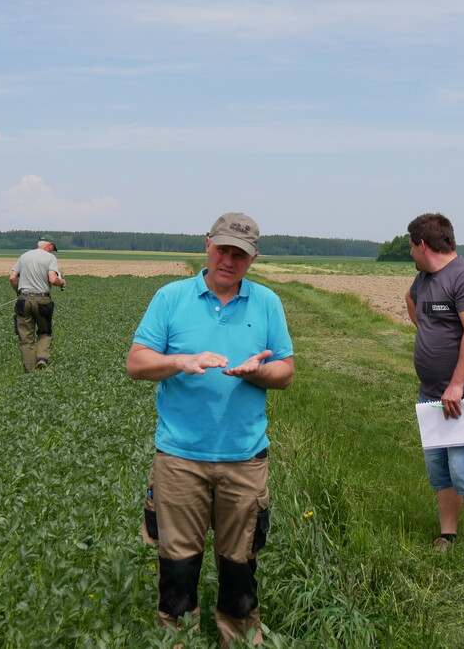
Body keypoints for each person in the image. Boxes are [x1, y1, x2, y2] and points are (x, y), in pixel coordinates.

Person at [126, 212, 294, 647]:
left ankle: (237, 639)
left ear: (253, 258)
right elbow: (136, 363)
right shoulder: (171, 298)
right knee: (177, 568)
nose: (229, 259)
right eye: (223, 249)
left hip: (244, 459)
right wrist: (180, 361)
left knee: (240, 569)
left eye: (240, 253)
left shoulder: (267, 303)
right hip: (180, 459)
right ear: (207, 244)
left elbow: (286, 371)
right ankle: (176, 640)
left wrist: (257, 371)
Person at [404, 212, 464, 563]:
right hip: (431, 392)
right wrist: (427, 332)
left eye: (411, 247)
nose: (410, 253)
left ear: (422, 244)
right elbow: (411, 301)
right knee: (439, 469)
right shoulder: (425, 279)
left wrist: (457, 385)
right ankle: (447, 534)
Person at [9, 235, 66, 371]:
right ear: (50, 245)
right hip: (42, 300)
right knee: (45, 332)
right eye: (53, 248)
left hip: (23, 300)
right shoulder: (50, 258)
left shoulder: (24, 256)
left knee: (26, 338)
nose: (52, 251)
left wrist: (18, 293)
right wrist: (62, 282)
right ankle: (41, 358)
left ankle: (30, 370)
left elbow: (12, 277)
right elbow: (53, 279)